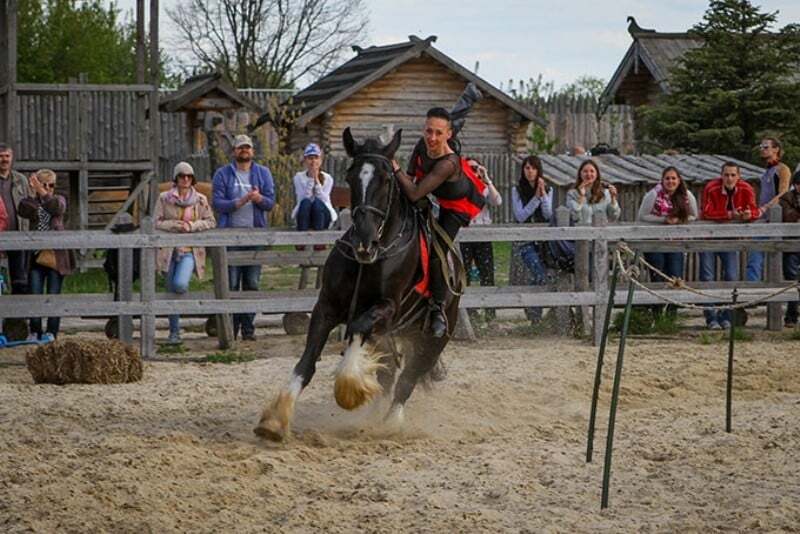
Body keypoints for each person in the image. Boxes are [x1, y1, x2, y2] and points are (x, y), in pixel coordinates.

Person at [391, 107, 486, 337]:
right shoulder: (422, 146)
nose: (432, 138)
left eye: (438, 133)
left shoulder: (449, 163)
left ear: (448, 135)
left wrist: (394, 167)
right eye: (428, 131)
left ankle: (437, 309)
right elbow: (411, 180)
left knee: (437, 253)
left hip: (457, 207)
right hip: (433, 196)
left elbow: (413, 192)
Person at [212, 134, 275, 341]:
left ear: (252, 151)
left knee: (252, 282)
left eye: (247, 147)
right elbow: (218, 203)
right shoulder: (223, 174)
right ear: (234, 151)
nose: (244, 151)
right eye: (240, 148)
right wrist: (239, 202)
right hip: (229, 236)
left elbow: (270, 203)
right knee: (230, 283)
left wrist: (258, 198)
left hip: (255, 234)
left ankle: (248, 329)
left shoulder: (263, 173)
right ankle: (231, 329)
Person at [155, 162, 216, 344]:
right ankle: (174, 332)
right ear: (176, 178)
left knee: (180, 285)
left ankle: (186, 316)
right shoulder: (164, 198)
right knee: (170, 290)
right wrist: (173, 225)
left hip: (190, 249)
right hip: (168, 251)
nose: (186, 179)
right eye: (182, 176)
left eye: (189, 176)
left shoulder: (200, 200)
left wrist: (192, 226)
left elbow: (210, 221)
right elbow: (156, 221)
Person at [699, 161, 761, 329]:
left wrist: (749, 214)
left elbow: (755, 211)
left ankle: (727, 316)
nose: (729, 178)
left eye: (733, 175)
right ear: (721, 176)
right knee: (707, 278)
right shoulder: (711, 188)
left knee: (732, 278)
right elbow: (705, 212)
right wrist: (729, 214)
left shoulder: (746, 189)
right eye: (726, 175)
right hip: (708, 239)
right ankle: (711, 318)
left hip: (730, 239)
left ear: (739, 176)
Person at [17, 169, 74, 340]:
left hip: (56, 257)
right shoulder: (29, 201)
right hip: (36, 256)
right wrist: (38, 195)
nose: (49, 188)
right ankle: (35, 331)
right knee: (35, 294)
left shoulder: (59, 200)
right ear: (36, 185)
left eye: (51, 185)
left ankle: (51, 332)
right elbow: (25, 210)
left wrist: (43, 193)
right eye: (45, 184)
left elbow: (56, 208)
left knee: (53, 295)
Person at [637, 166, 698, 317]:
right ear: (662, 180)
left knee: (675, 276)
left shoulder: (686, 195)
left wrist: (679, 220)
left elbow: (694, 215)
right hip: (655, 242)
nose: (670, 181)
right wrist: (663, 220)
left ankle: (672, 314)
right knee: (657, 275)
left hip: (676, 242)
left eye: (673, 178)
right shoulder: (653, 194)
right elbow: (642, 216)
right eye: (668, 178)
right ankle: (657, 313)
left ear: (679, 180)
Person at [512, 155, 553, 323]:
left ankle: (533, 311)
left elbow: (548, 214)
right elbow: (520, 216)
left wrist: (542, 196)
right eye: (527, 168)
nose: (530, 172)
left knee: (541, 276)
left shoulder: (548, 189)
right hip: (525, 241)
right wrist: (535, 198)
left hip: (543, 241)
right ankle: (534, 314)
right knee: (539, 273)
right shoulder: (517, 190)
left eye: (533, 168)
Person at [459, 157, 502, 321]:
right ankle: (469, 314)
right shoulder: (460, 188)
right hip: (465, 236)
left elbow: (497, 201)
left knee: (487, 274)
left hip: (483, 236)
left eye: (476, 168)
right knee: (465, 276)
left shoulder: (483, 188)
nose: (474, 171)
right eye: (470, 168)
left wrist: (486, 179)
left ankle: (490, 315)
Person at [746, 137, 792, 282]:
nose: (762, 149)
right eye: (761, 147)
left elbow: (783, 192)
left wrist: (766, 207)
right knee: (754, 257)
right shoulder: (766, 172)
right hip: (762, 219)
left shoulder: (782, 169)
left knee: (776, 257)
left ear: (776, 149)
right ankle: (752, 290)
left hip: (775, 218)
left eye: (766, 147)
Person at [291, 143, 337, 249]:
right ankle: (301, 242)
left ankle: (319, 243)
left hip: (322, 213)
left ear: (320, 160)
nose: (313, 161)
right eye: (310, 158)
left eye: (316, 158)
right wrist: (311, 179)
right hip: (305, 213)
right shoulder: (298, 177)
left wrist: (317, 180)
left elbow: (323, 199)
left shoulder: (328, 178)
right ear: (305, 160)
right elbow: (303, 198)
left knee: (317, 203)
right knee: (306, 202)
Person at [0, 143, 31, 296]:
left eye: (7, 156)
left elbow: (30, 204)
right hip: (0, 234)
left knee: (20, 278)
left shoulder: (20, 180)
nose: (4, 160)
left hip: (19, 233)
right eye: (1, 156)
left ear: (12, 158)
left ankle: (18, 317)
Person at [565, 159, 620, 225]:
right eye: (585, 171)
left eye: (592, 171)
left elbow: (613, 217)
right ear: (580, 174)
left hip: (602, 233)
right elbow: (574, 217)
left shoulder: (605, 193)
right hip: (580, 233)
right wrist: (581, 197)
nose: (588, 174)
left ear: (597, 174)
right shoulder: (572, 194)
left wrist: (613, 198)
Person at [779, 170, 800, 327]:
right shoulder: (787, 197)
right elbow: (788, 216)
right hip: (791, 243)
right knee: (791, 279)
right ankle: (791, 316)